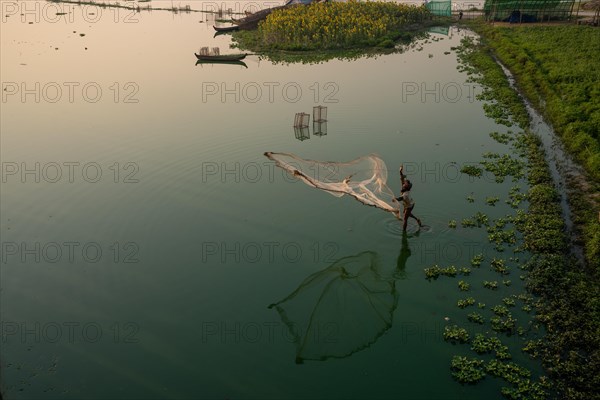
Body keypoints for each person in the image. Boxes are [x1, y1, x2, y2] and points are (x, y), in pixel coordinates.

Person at [394, 165, 422, 231]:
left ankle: (404, 231)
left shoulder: (405, 194)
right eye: (404, 183)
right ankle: (417, 219)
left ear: (405, 187)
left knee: (405, 219)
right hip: (408, 203)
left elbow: (400, 199)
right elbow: (402, 178)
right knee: (406, 214)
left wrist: (394, 199)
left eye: (404, 184)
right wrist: (400, 171)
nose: (403, 183)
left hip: (409, 205)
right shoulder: (405, 188)